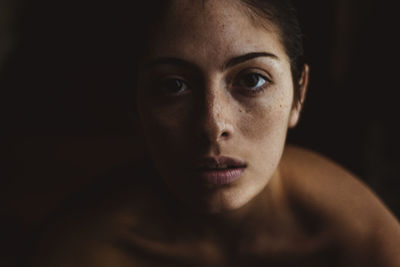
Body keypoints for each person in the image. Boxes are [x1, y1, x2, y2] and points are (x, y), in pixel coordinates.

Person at [28, 0, 400, 266]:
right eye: (173, 85)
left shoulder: (365, 245)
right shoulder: (81, 251)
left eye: (252, 79)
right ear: (135, 105)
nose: (212, 124)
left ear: (298, 95)